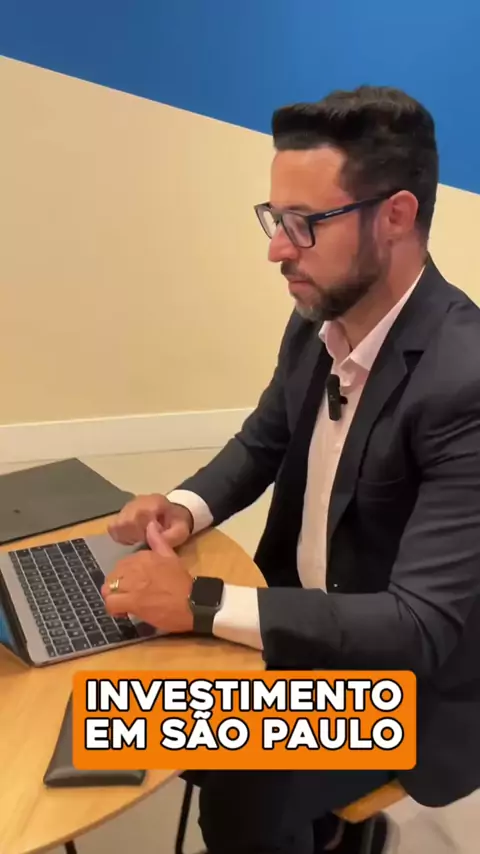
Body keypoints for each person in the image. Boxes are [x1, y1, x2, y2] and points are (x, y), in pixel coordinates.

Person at [102, 86, 480, 853]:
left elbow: (417, 627)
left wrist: (201, 602)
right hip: (304, 630)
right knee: (123, 708)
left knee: (218, 770)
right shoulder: (320, 319)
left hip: (404, 686)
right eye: (275, 220)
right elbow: (262, 442)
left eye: (304, 224)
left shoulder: (464, 378)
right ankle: (332, 834)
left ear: (396, 216)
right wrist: (182, 507)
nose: (278, 249)